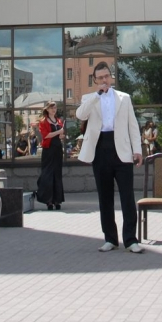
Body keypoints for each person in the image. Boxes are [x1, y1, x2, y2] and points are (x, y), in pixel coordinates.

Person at [76, 62, 144, 253]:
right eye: (100, 77)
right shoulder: (90, 98)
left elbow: (133, 126)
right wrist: (96, 95)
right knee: (105, 198)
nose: (104, 80)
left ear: (111, 77)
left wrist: (137, 150)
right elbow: (80, 115)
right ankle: (110, 239)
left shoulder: (124, 98)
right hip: (100, 150)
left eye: (106, 76)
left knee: (127, 197)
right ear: (95, 80)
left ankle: (130, 240)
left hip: (122, 150)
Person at [36, 101, 66, 210]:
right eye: (52, 108)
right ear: (47, 109)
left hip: (57, 149)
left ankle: (57, 200)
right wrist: (59, 132)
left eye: (55, 107)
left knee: (57, 173)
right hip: (48, 150)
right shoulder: (43, 121)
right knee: (48, 173)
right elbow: (46, 135)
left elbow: (61, 135)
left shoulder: (58, 121)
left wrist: (62, 135)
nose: (54, 109)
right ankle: (48, 201)